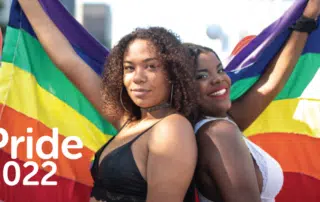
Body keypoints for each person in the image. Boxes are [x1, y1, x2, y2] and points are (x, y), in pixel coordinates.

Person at [18, 0, 198, 201]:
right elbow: (68, 60)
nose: (137, 77)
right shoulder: (128, 120)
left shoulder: (172, 128)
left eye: (151, 67)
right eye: (129, 68)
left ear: (173, 73)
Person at [184, 0, 320, 201]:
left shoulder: (224, 123)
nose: (219, 79)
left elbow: (271, 82)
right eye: (202, 76)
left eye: (220, 70)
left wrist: (306, 21)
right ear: (183, 88)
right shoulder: (218, 133)